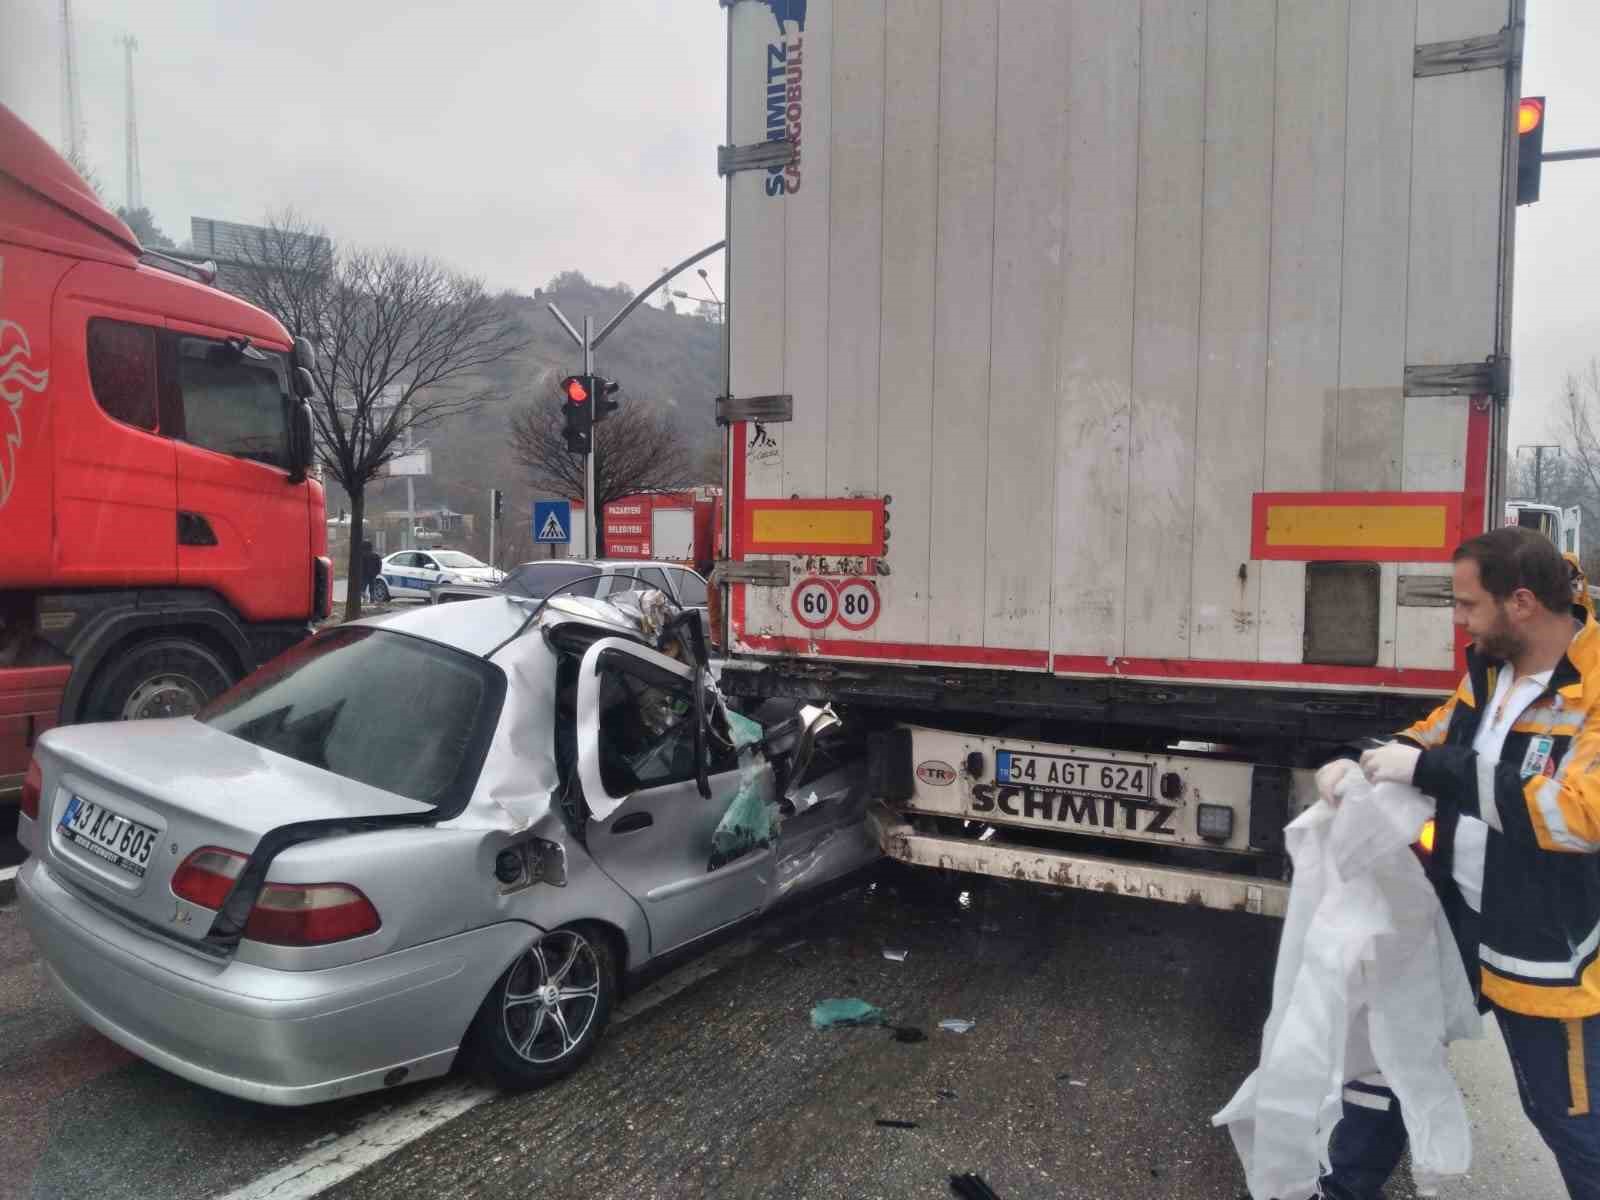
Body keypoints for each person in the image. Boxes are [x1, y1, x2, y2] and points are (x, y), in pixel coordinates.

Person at [1314, 527, 1600, 1199]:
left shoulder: (1593, 689)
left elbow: (1577, 817)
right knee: (1387, 1058)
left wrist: (1430, 767)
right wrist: (1371, 762)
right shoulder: (1493, 667)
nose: (1458, 618)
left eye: (1469, 604)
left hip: (1541, 947)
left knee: (1568, 1121)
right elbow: (1443, 728)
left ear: (1522, 603)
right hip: (1453, 915)